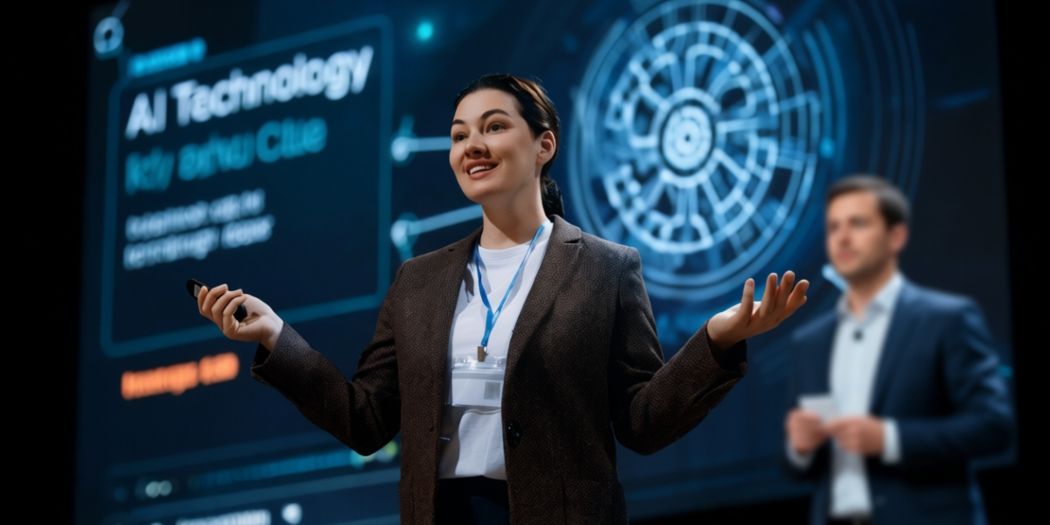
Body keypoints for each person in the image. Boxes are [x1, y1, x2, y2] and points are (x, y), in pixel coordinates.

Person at [197, 73, 809, 524]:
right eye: (459, 135)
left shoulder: (606, 269)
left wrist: (719, 341)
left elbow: (643, 421)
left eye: (494, 127)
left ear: (543, 146)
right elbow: (366, 421)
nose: (471, 146)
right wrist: (277, 338)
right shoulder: (419, 280)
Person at [783, 175, 1013, 525]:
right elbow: (796, 469)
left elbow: (993, 426)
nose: (842, 238)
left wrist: (890, 439)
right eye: (833, 227)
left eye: (857, 223)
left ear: (896, 236)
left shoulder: (947, 319)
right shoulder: (809, 342)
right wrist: (798, 449)